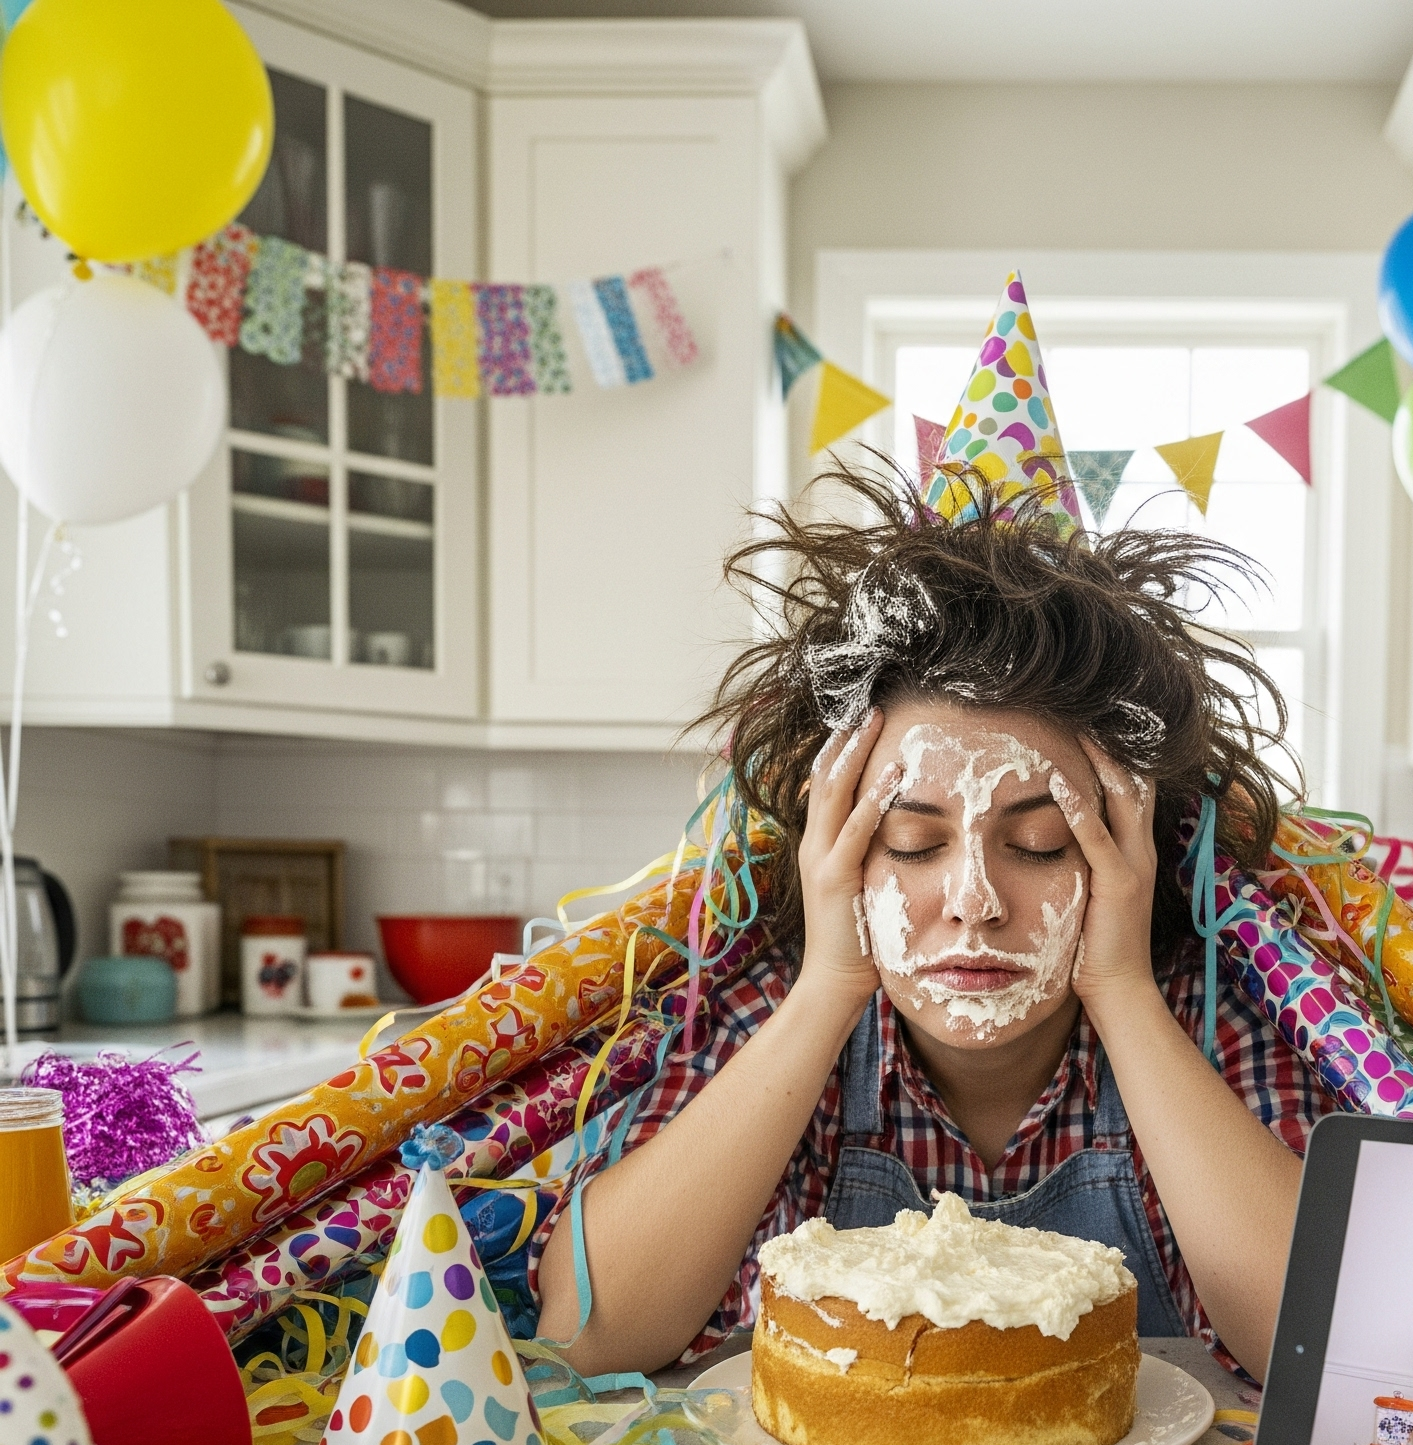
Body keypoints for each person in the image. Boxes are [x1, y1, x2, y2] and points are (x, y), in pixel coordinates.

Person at [533, 467, 1335, 1383]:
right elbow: (585, 1338)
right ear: (839, 852)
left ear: (1128, 853)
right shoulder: (761, 1011)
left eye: (1038, 843)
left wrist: (1123, 996)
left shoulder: (1205, 1023)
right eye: (913, 843)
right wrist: (827, 993)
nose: (973, 898)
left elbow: (1321, 1351)